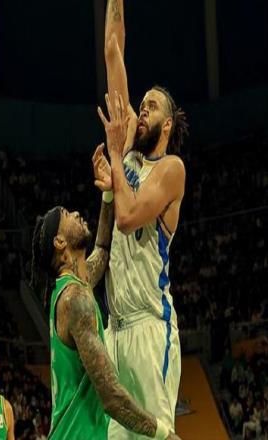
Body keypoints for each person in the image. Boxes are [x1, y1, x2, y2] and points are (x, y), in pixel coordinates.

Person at [30, 147, 180, 439]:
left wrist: (109, 194)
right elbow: (111, 397)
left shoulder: (73, 288)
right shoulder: (75, 300)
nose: (76, 213)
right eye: (67, 215)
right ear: (59, 242)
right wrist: (164, 433)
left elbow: (102, 247)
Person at [98, 1, 190, 437]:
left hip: (151, 327)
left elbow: (129, 217)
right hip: (115, 329)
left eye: (151, 107)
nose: (142, 110)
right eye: (142, 105)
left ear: (166, 125)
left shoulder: (171, 169)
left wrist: (116, 158)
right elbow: (113, 50)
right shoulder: (129, 151)